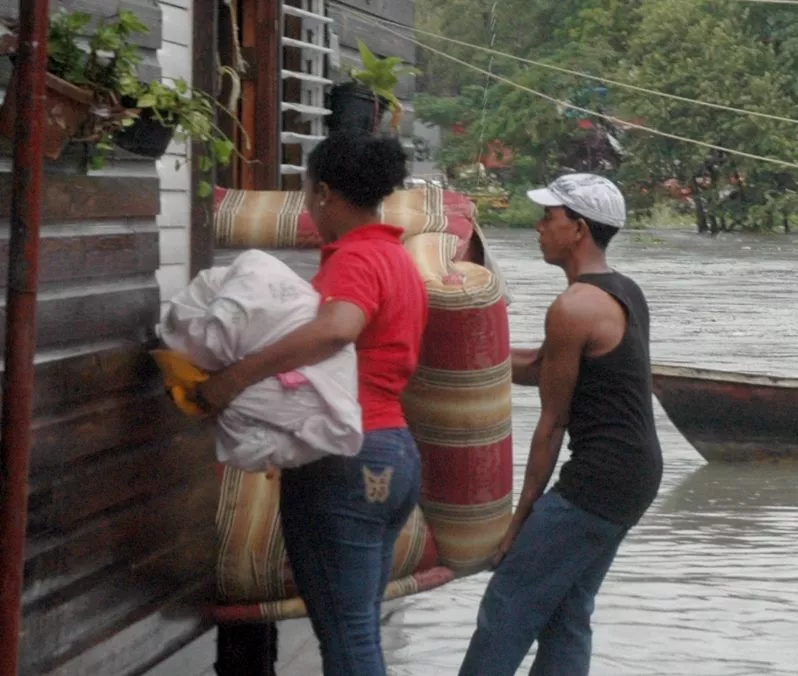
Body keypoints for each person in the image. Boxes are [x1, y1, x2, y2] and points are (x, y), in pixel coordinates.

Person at [193, 132, 428, 675]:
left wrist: (235, 378)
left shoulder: (356, 258)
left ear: (324, 193)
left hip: (345, 461)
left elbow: (336, 330)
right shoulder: (398, 258)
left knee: (348, 640)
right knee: (360, 629)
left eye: (304, 194)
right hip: (395, 454)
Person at [459, 173, 663, 676]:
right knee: (567, 613)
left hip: (597, 480)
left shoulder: (572, 307)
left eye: (548, 217)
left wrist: (520, 517)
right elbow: (538, 366)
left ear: (579, 229)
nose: (538, 227)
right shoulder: (623, 293)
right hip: (636, 475)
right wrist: (459, 358)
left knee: (507, 604)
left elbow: (552, 423)